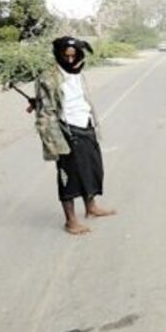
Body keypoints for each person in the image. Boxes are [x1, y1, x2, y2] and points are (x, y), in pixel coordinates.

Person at [34, 36, 115, 235]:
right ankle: (71, 221)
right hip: (66, 130)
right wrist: (53, 142)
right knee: (68, 176)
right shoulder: (48, 77)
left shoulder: (78, 71)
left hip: (85, 124)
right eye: (66, 56)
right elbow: (45, 111)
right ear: (59, 54)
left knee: (92, 168)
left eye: (74, 55)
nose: (70, 59)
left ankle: (91, 207)